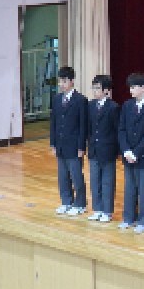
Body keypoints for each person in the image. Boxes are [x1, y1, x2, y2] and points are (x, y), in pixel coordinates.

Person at [117, 72, 144, 234]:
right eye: (130, 87)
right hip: (128, 155)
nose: (131, 90)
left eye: (134, 87)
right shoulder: (127, 105)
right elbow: (121, 129)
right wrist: (126, 150)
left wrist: (136, 153)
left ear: (143, 87)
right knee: (129, 189)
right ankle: (128, 218)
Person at [50, 66, 88, 216]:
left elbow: (83, 125)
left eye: (64, 81)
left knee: (76, 176)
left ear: (72, 81)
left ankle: (80, 204)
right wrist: (53, 143)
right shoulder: (56, 99)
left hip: (74, 145)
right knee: (63, 176)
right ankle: (66, 201)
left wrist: (81, 146)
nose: (61, 84)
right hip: (60, 144)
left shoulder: (80, 100)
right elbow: (53, 123)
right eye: (60, 81)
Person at [86, 75, 120, 223]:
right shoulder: (90, 105)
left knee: (107, 181)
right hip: (94, 148)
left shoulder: (113, 107)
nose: (95, 91)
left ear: (106, 90)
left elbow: (117, 130)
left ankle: (107, 211)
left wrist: (118, 151)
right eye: (93, 88)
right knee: (95, 181)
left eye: (98, 88)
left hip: (108, 149)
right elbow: (89, 128)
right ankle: (97, 209)